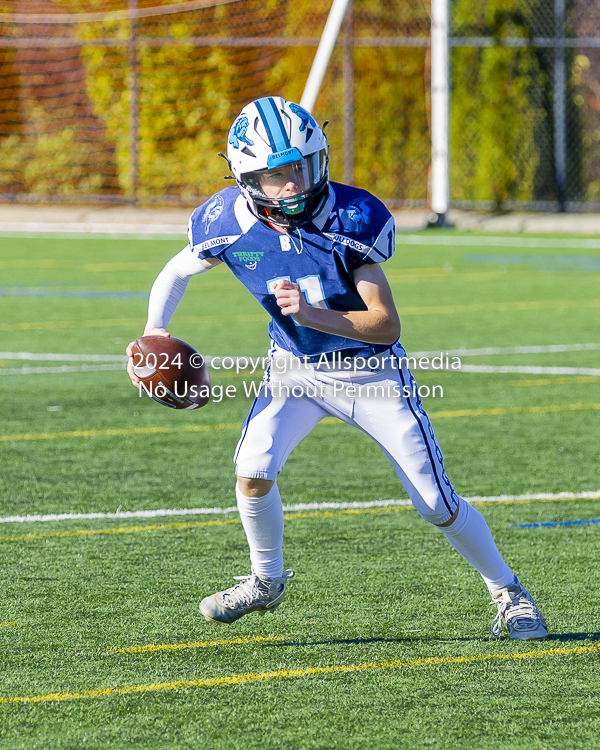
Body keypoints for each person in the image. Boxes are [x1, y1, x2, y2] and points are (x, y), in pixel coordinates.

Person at [127, 96, 548, 640]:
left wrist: (313, 314)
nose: (293, 186)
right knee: (252, 473)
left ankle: (509, 591)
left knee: (435, 503)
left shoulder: (353, 217)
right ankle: (266, 579)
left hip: (370, 375)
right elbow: (177, 270)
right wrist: (154, 332)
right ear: (246, 179)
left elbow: (385, 325)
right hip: (294, 372)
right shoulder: (223, 219)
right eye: (275, 176)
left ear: (320, 159)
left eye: (301, 168)